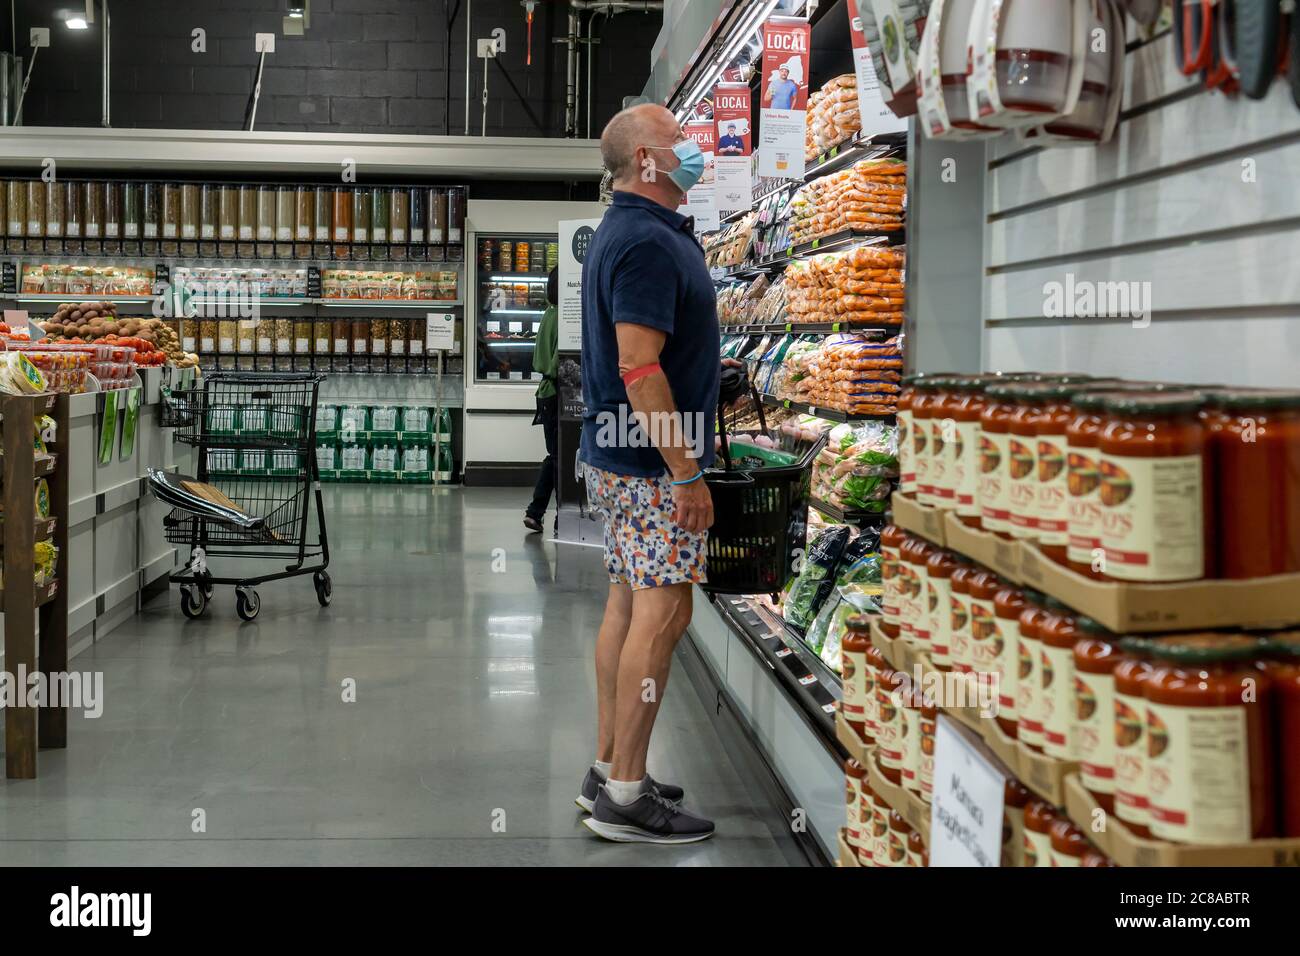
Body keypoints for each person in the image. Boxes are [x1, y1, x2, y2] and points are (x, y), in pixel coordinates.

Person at [575, 103, 720, 844]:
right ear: (645, 162)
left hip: (618, 455)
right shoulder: (645, 242)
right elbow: (639, 367)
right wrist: (686, 472)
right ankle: (627, 797)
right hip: (650, 463)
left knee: (628, 605)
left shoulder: (629, 231)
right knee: (663, 613)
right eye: (676, 139)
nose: (692, 147)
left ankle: (608, 767)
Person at [524, 268, 560, 533]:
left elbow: (539, 358)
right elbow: (562, 362)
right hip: (560, 391)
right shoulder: (565, 317)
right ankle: (556, 514)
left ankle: (536, 512)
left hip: (545, 393)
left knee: (554, 454)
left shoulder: (548, 314)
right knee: (561, 456)